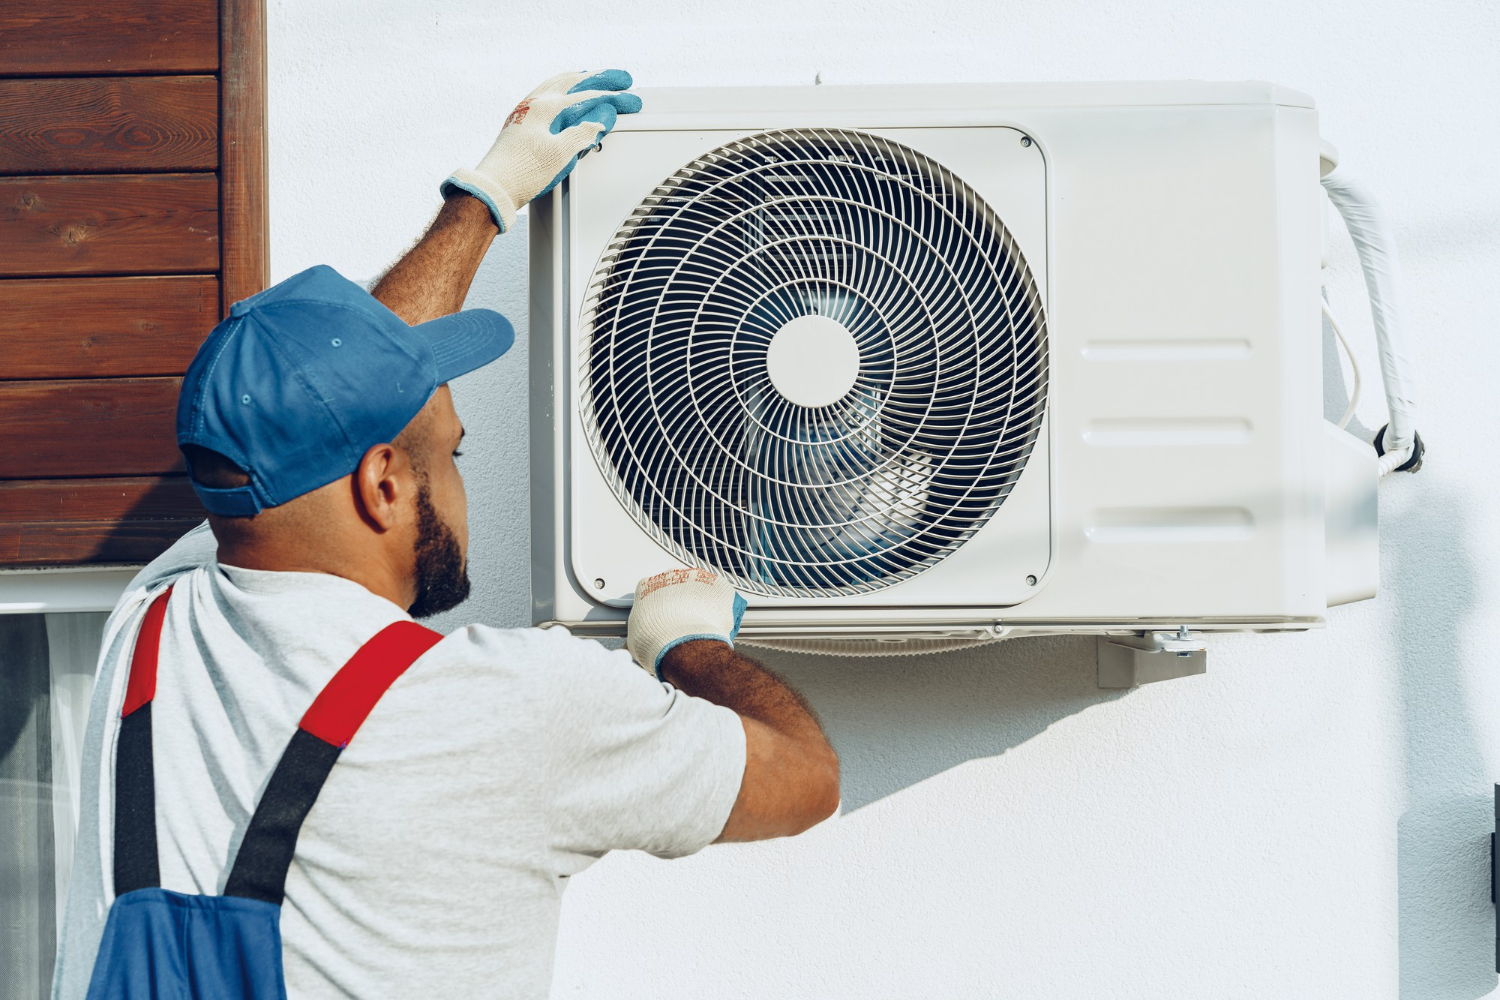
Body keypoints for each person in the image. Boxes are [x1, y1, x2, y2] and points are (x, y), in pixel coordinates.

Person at [51, 69, 839, 1000]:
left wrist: (490, 194)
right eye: (458, 453)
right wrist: (686, 647)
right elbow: (805, 778)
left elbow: (336, 391)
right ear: (382, 484)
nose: (464, 482)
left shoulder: (150, 622)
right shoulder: (512, 705)